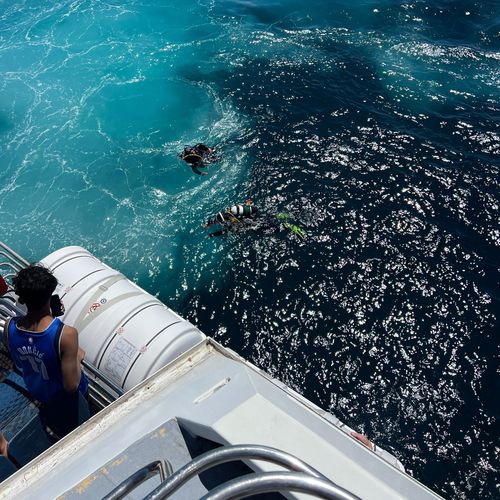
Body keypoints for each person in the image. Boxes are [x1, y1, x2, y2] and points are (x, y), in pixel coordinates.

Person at [3, 265, 90, 441]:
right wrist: (77, 355)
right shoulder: (66, 335)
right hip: (69, 401)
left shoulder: (9, 326)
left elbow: (21, 356)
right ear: (50, 294)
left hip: (39, 392)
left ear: (21, 299)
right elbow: (71, 385)